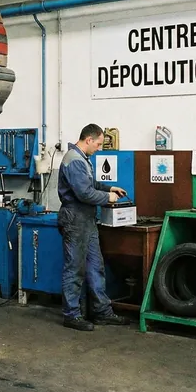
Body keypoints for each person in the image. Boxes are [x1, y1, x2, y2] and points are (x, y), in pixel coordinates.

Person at [56, 123, 131, 331]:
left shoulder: (82, 158)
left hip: (87, 220)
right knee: (75, 268)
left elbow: (91, 185)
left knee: (95, 267)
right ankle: (71, 314)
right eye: (98, 144)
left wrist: (109, 187)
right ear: (88, 140)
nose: (99, 148)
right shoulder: (73, 160)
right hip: (75, 219)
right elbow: (84, 193)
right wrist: (108, 197)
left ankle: (101, 312)